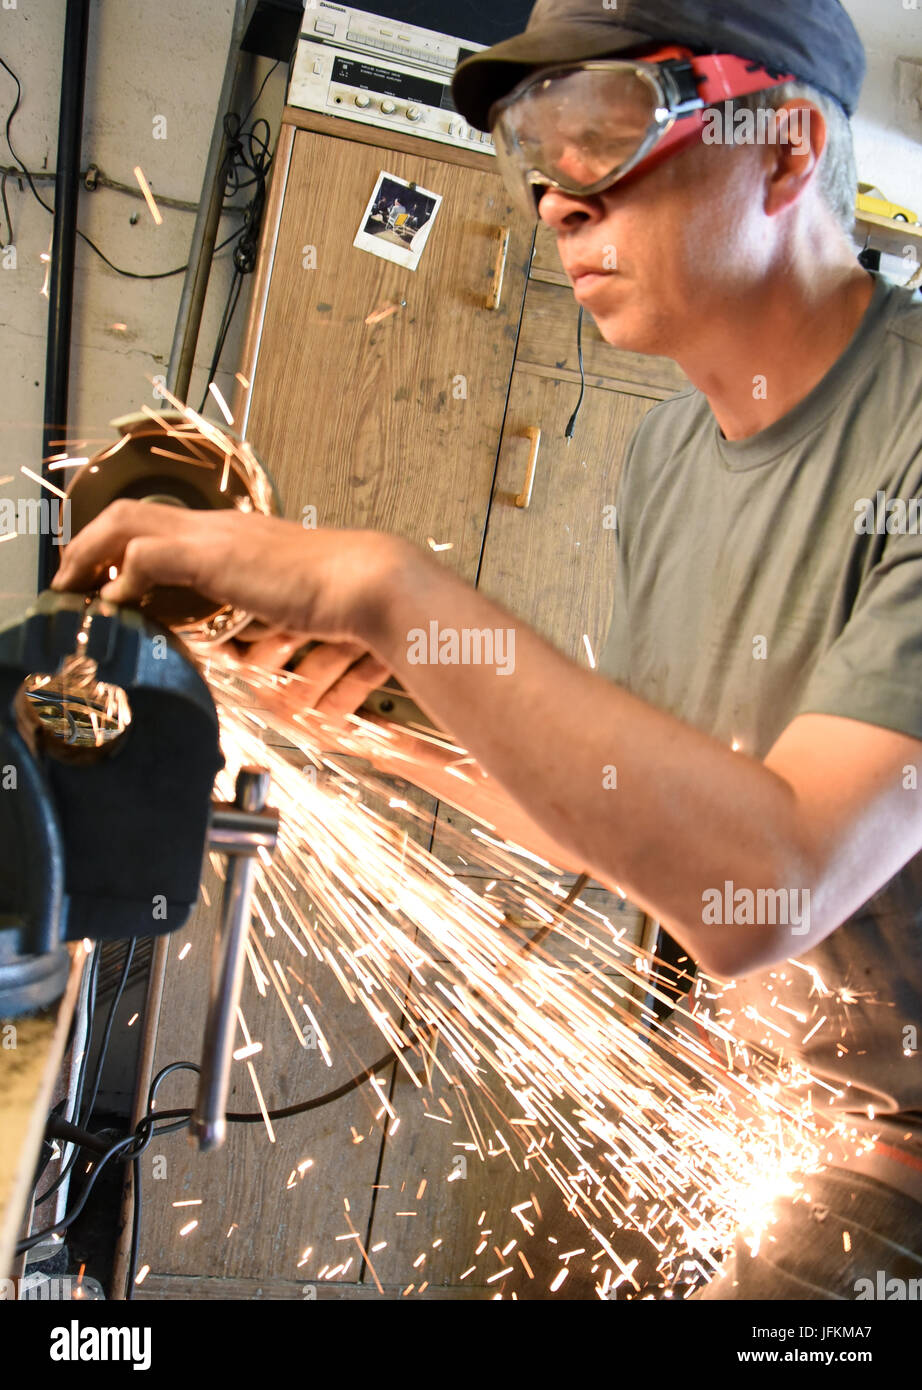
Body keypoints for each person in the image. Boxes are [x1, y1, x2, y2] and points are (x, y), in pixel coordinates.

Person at [53, 0, 922, 1299]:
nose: (555, 202)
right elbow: (633, 831)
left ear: (783, 147)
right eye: (533, 145)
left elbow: (776, 877)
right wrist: (381, 723)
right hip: (761, 1134)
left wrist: (387, 590)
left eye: (598, 131)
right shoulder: (671, 455)